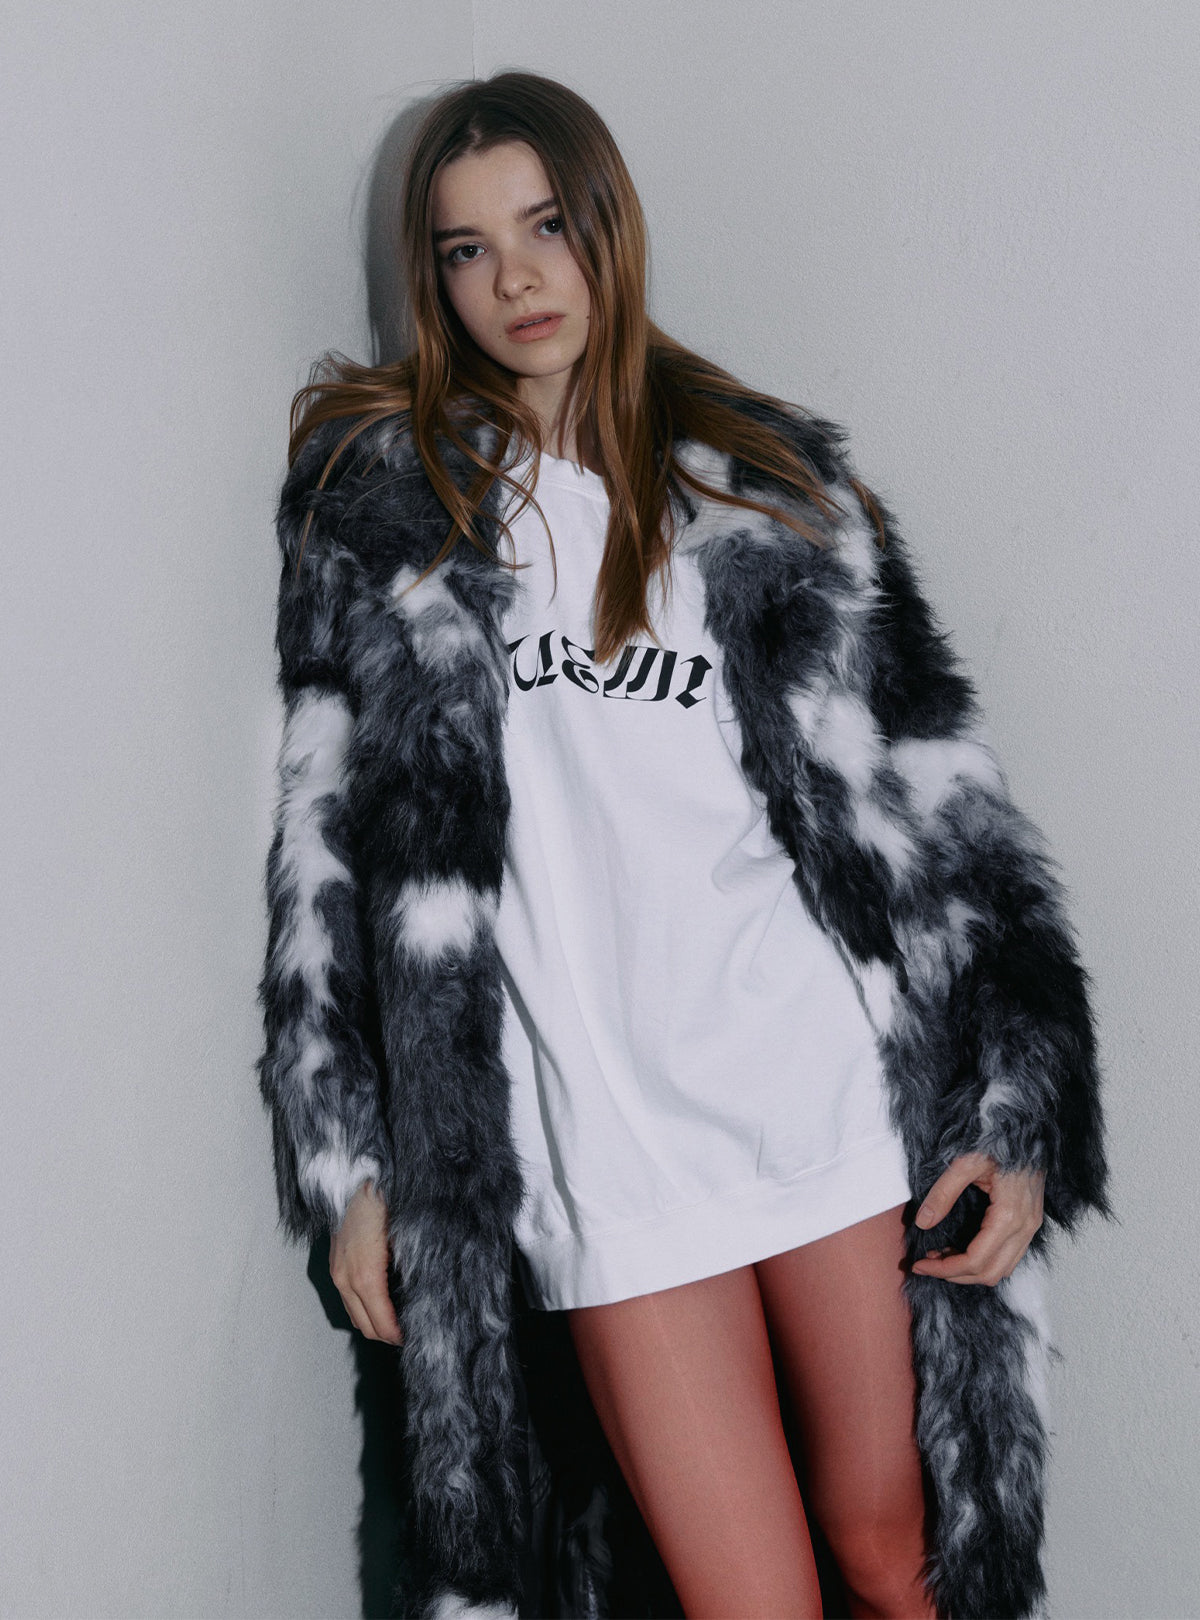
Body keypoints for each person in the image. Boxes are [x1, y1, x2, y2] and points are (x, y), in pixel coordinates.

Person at [257, 69, 1110, 1620]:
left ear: (609, 227)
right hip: (608, 1145)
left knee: (896, 1561)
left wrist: (1018, 1100)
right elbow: (323, 852)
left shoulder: (762, 490)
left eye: (545, 226)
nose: (515, 279)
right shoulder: (392, 520)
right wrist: (350, 1160)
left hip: (821, 1098)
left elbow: (944, 809)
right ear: (432, 278)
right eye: (465, 249)